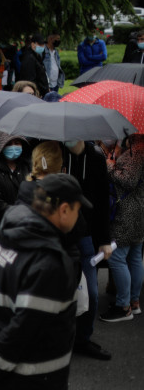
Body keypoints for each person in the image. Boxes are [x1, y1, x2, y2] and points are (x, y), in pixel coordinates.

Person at [0, 173, 86, 390]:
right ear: (64, 210)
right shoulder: (52, 264)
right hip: (37, 378)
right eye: (78, 210)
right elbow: (23, 331)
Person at [63, 139, 114, 360]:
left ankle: (83, 339)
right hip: (59, 236)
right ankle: (60, 339)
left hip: (86, 236)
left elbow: (103, 200)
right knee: (58, 292)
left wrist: (104, 239)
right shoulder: (54, 152)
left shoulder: (96, 158)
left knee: (91, 293)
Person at [101, 135, 144, 321]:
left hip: (128, 211)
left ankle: (123, 306)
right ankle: (133, 302)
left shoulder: (138, 149)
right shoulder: (136, 147)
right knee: (134, 256)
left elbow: (129, 180)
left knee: (118, 258)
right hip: (138, 208)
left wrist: (110, 165)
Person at [0, 133, 30, 231]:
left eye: (17, 143)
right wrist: (19, 213)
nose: (13, 147)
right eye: (9, 144)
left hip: (24, 226)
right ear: (2, 146)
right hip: (0, 227)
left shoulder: (27, 167)